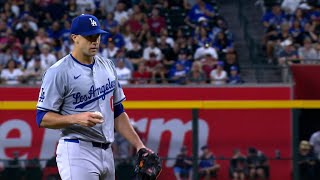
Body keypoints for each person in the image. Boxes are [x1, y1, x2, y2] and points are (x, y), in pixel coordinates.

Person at [36, 14, 147, 180]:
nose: (94, 41)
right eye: (89, 37)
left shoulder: (108, 65)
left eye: (97, 36)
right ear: (75, 38)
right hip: (77, 149)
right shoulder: (58, 71)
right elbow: (42, 117)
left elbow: (117, 111)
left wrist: (139, 146)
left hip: (107, 152)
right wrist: (75, 118)